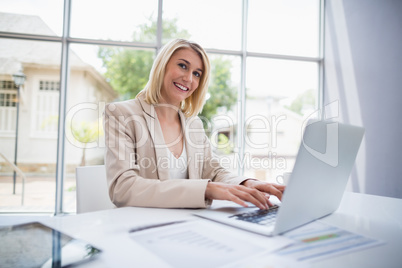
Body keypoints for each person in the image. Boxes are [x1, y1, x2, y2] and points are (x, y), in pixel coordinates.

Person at [104, 39, 285, 209]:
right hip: (140, 228)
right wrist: (205, 189)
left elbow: (212, 172)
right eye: (183, 66)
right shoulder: (121, 114)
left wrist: (247, 183)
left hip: (188, 224)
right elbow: (123, 188)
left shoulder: (193, 125)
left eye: (197, 74)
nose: (189, 79)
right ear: (162, 66)